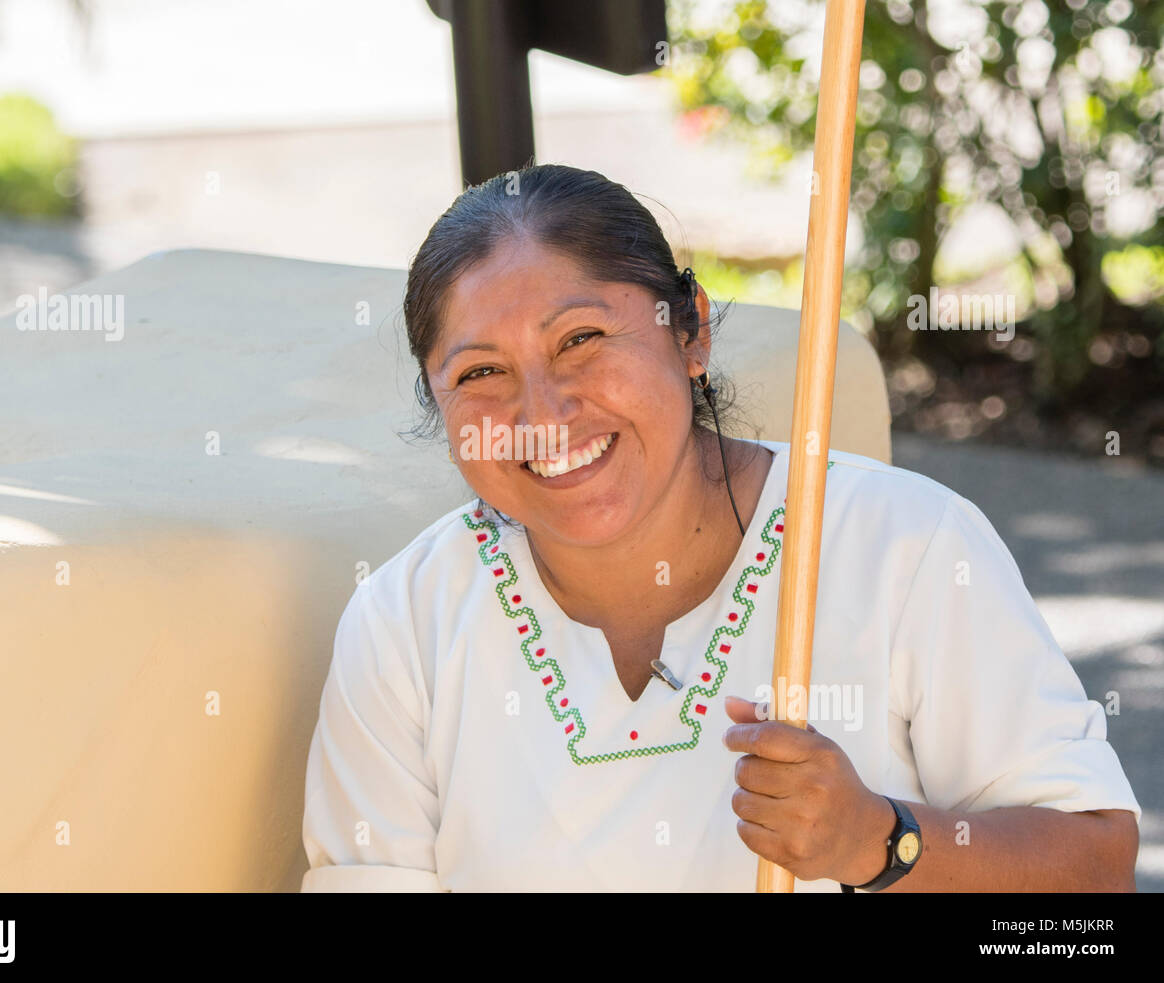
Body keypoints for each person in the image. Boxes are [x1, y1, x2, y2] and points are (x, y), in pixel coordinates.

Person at [300, 163, 1140, 892]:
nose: (542, 413)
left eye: (582, 339)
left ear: (691, 328)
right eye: (482, 372)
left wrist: (880, 843)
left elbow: (1088, 898)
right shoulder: (405, 625)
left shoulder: (906, 547)